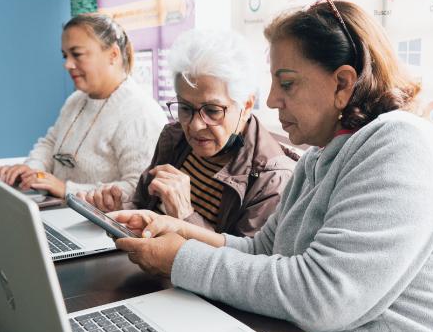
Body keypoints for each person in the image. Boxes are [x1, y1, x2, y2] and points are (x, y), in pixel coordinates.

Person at [110, 0, 433, 332]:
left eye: (286, 83)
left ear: (342, 83)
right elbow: (261, 253)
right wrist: (179, 231)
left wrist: (181, 260)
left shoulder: (402, 144)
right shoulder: (317, 158)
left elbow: (324, 294)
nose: (272, 100)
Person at [78, 29, 297, 237]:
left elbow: (244, 268)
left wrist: (184, 215)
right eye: (184, 108)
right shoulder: (174, 138)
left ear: (247, 105)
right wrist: (120, 209)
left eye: (212, 111)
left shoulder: (272, 178)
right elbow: (143, 205)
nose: (194, 125)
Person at [0, 13, 167, 198]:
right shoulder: (76, 100)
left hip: (100, 224)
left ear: (113, 54)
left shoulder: (141, 113)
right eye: (65, 56)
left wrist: (67, 190)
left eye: (77, 54)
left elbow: (139, 190)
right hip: (60, 211)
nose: (67, 64)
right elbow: (50, 143)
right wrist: (31, 170)